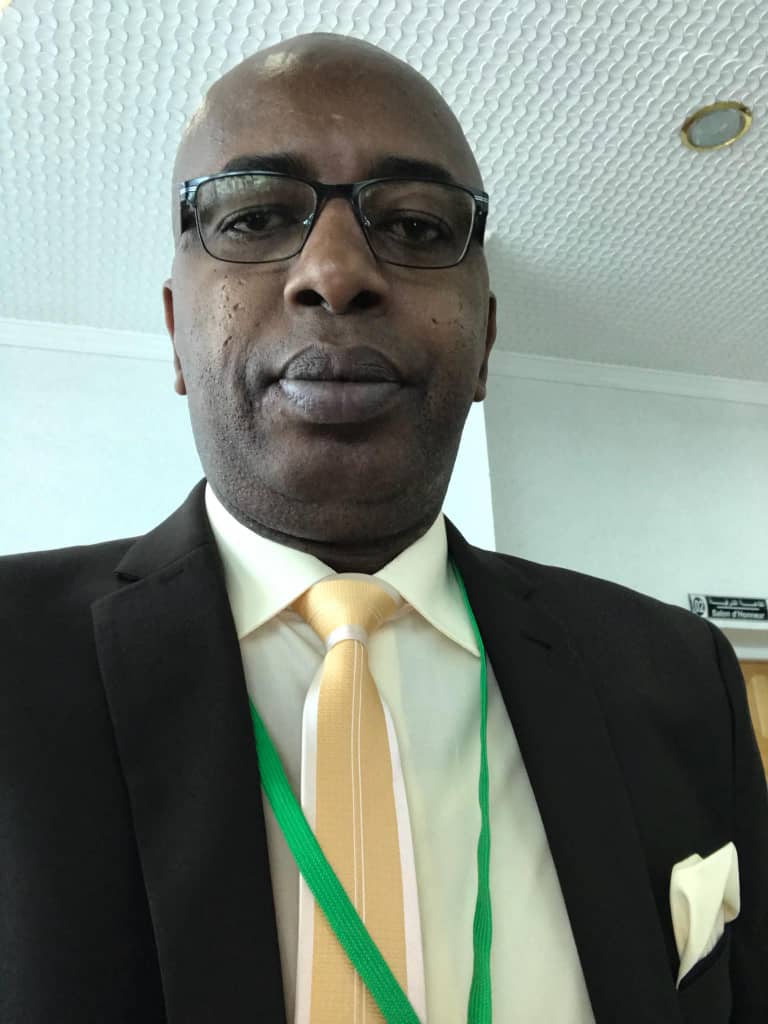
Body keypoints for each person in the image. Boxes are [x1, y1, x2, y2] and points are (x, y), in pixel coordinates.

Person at [1, 31, 766, 1024]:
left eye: (412, 224)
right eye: (256, 215)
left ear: (485, 345)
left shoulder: (677, 676)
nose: (334, 271)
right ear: (177, 334)